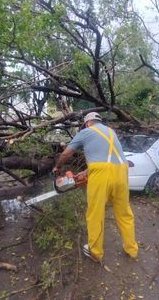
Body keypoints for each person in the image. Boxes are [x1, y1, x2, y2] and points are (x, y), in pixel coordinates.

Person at [53, 112, 138, 262]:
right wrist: (86, 172)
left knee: (95, 214)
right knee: (124, 213)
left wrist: (58, 167)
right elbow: (108, 158)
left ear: (87, 123)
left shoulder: (86, 132)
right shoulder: (111, 132)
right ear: (99, 121)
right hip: (121, 172)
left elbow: (66, 154)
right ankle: (132, 250)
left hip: (101, 175)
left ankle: (95, 252)